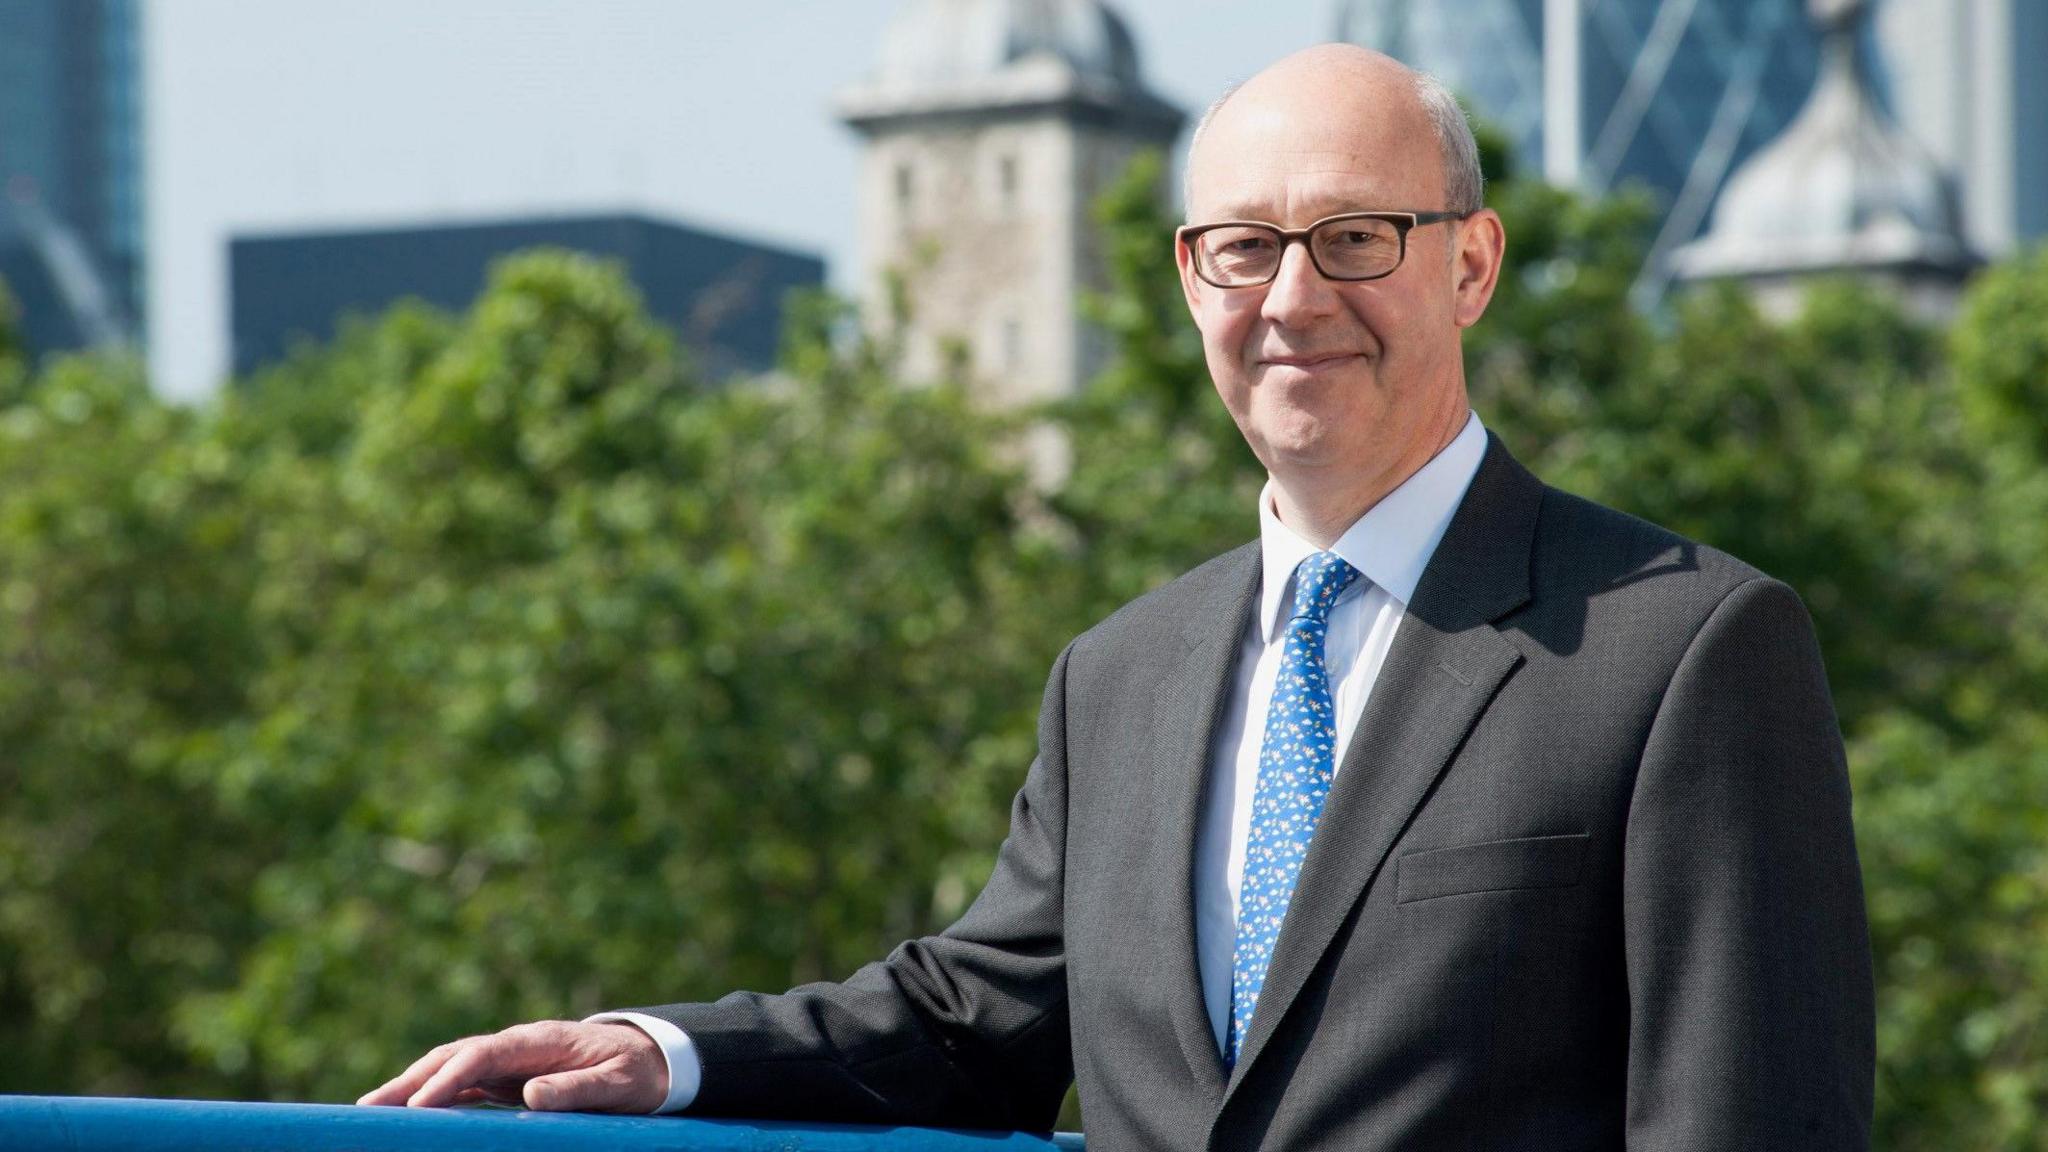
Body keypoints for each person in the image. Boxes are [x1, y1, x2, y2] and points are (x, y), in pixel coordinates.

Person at [359, 44, 1875, 1150]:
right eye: (1245, 248)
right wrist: (658, 1054)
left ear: (1470, 264)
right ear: (1189, 279)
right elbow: (974, 1024)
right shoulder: (1123, 676)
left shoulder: (1680, 646)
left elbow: (1749, 1119)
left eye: (1356, 239)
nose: (1294, 299)